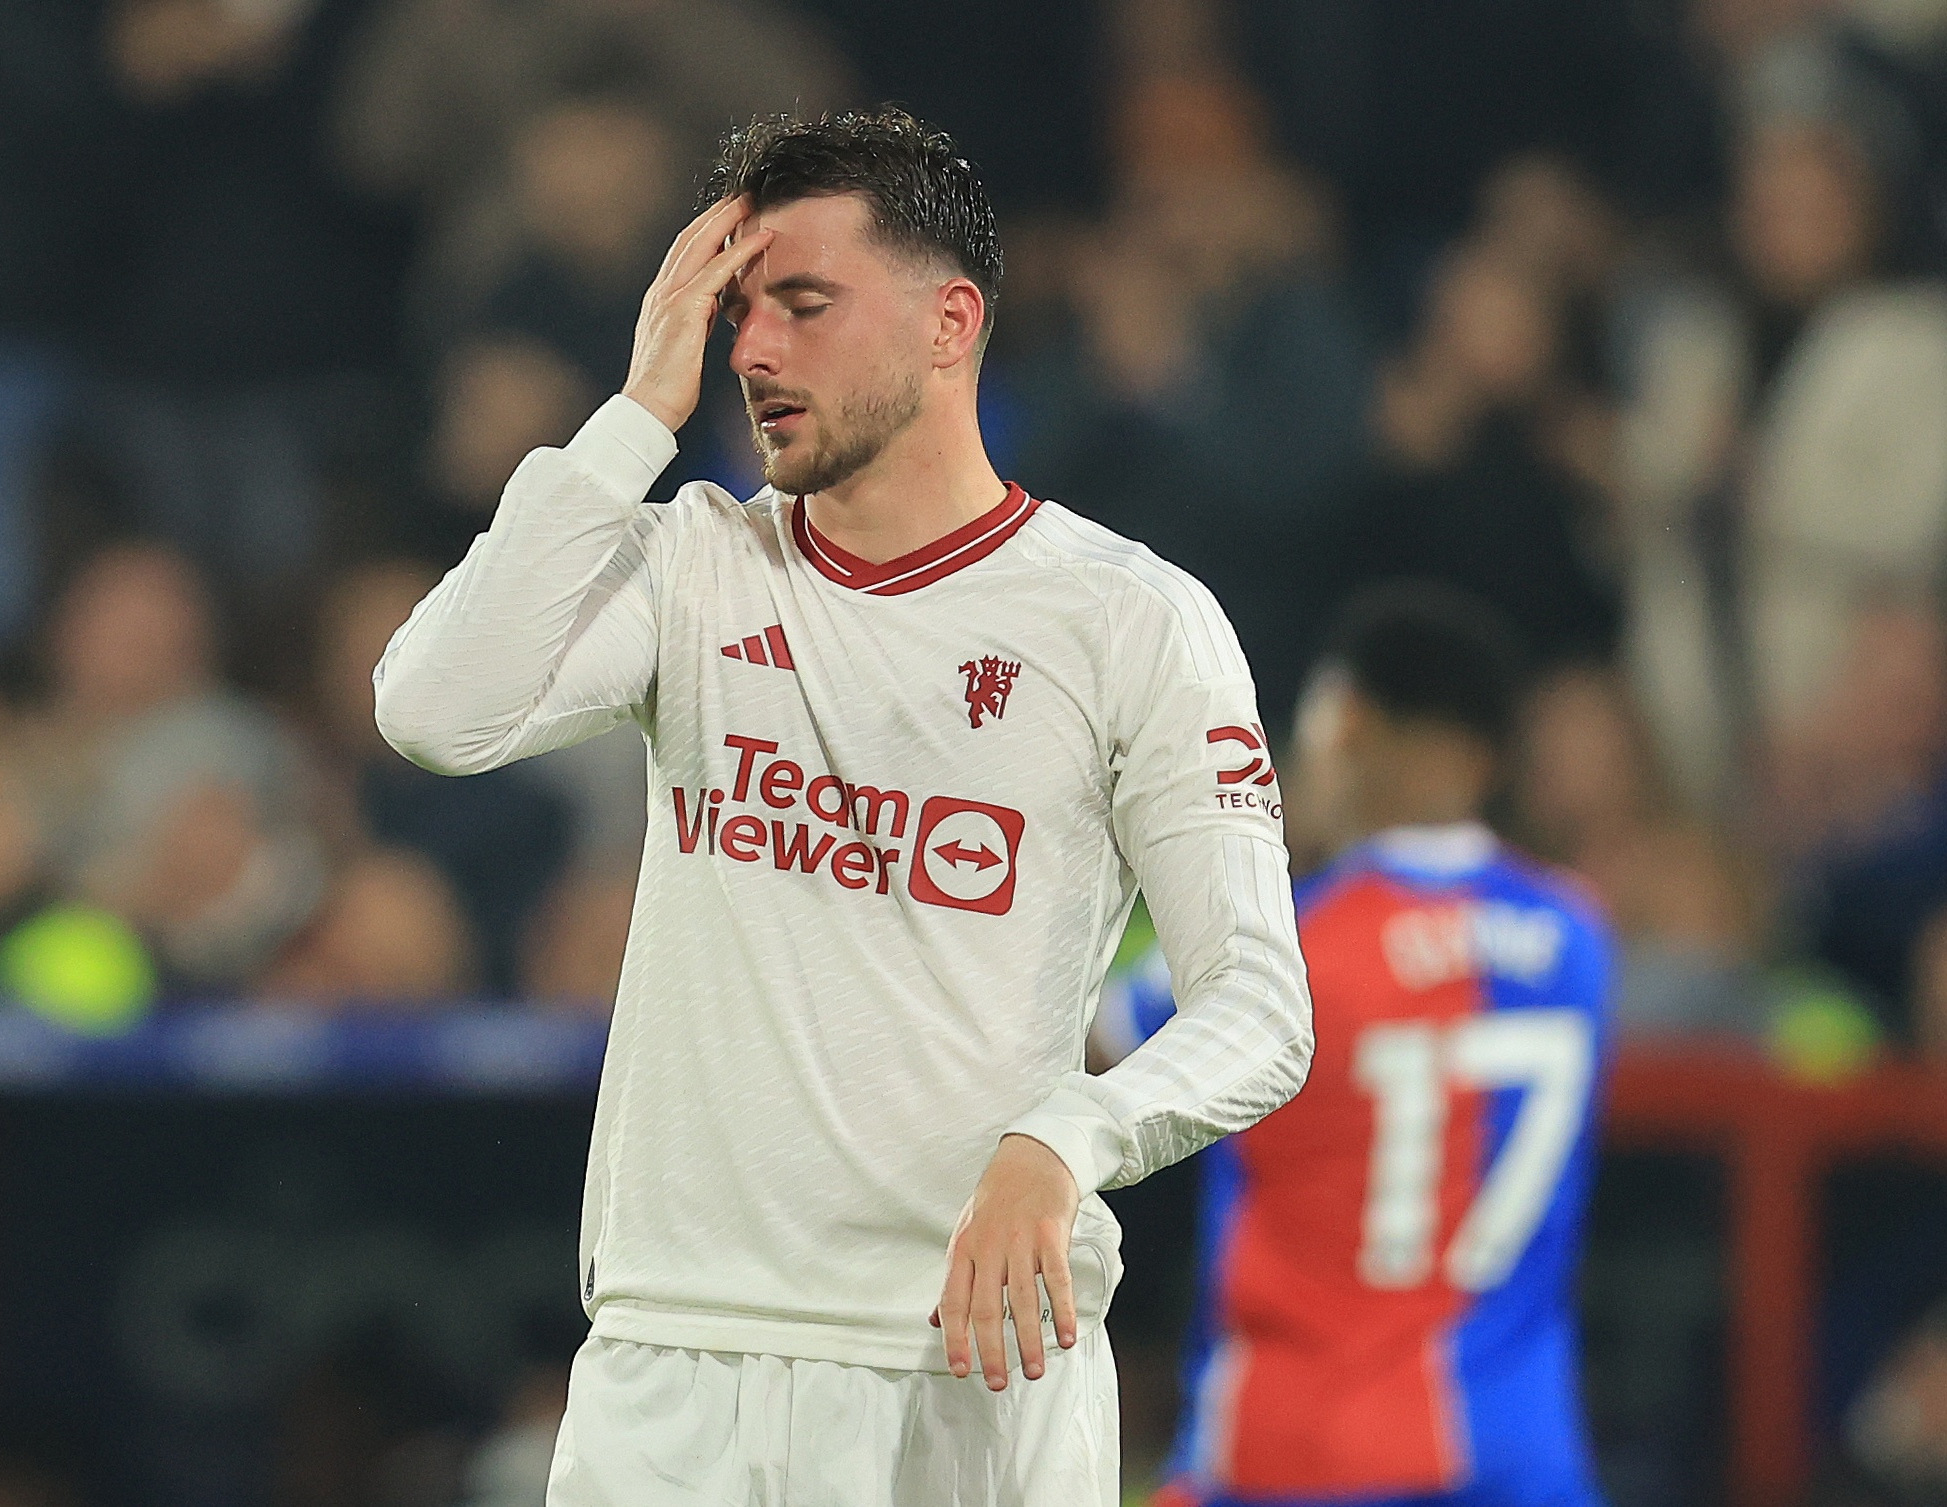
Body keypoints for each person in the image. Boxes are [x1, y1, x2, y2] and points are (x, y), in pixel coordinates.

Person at [373, 108, 1314, 1503]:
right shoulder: (693, 563)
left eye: (803, 305)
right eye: (735, 311)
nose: (752, 350)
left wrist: (1070, 1138)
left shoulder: (1129, 620)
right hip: (666, 1362)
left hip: (959, 1367)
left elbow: (1261, 1007)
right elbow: (433, 709)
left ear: (949, 324)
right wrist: (632, 418)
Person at [1100, 585, 1614, 1507]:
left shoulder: (1286, 951)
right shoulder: (1578, 937)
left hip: (1294, 1454)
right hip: (1520, 1457)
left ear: (1344, 722)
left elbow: (1081, 1047)